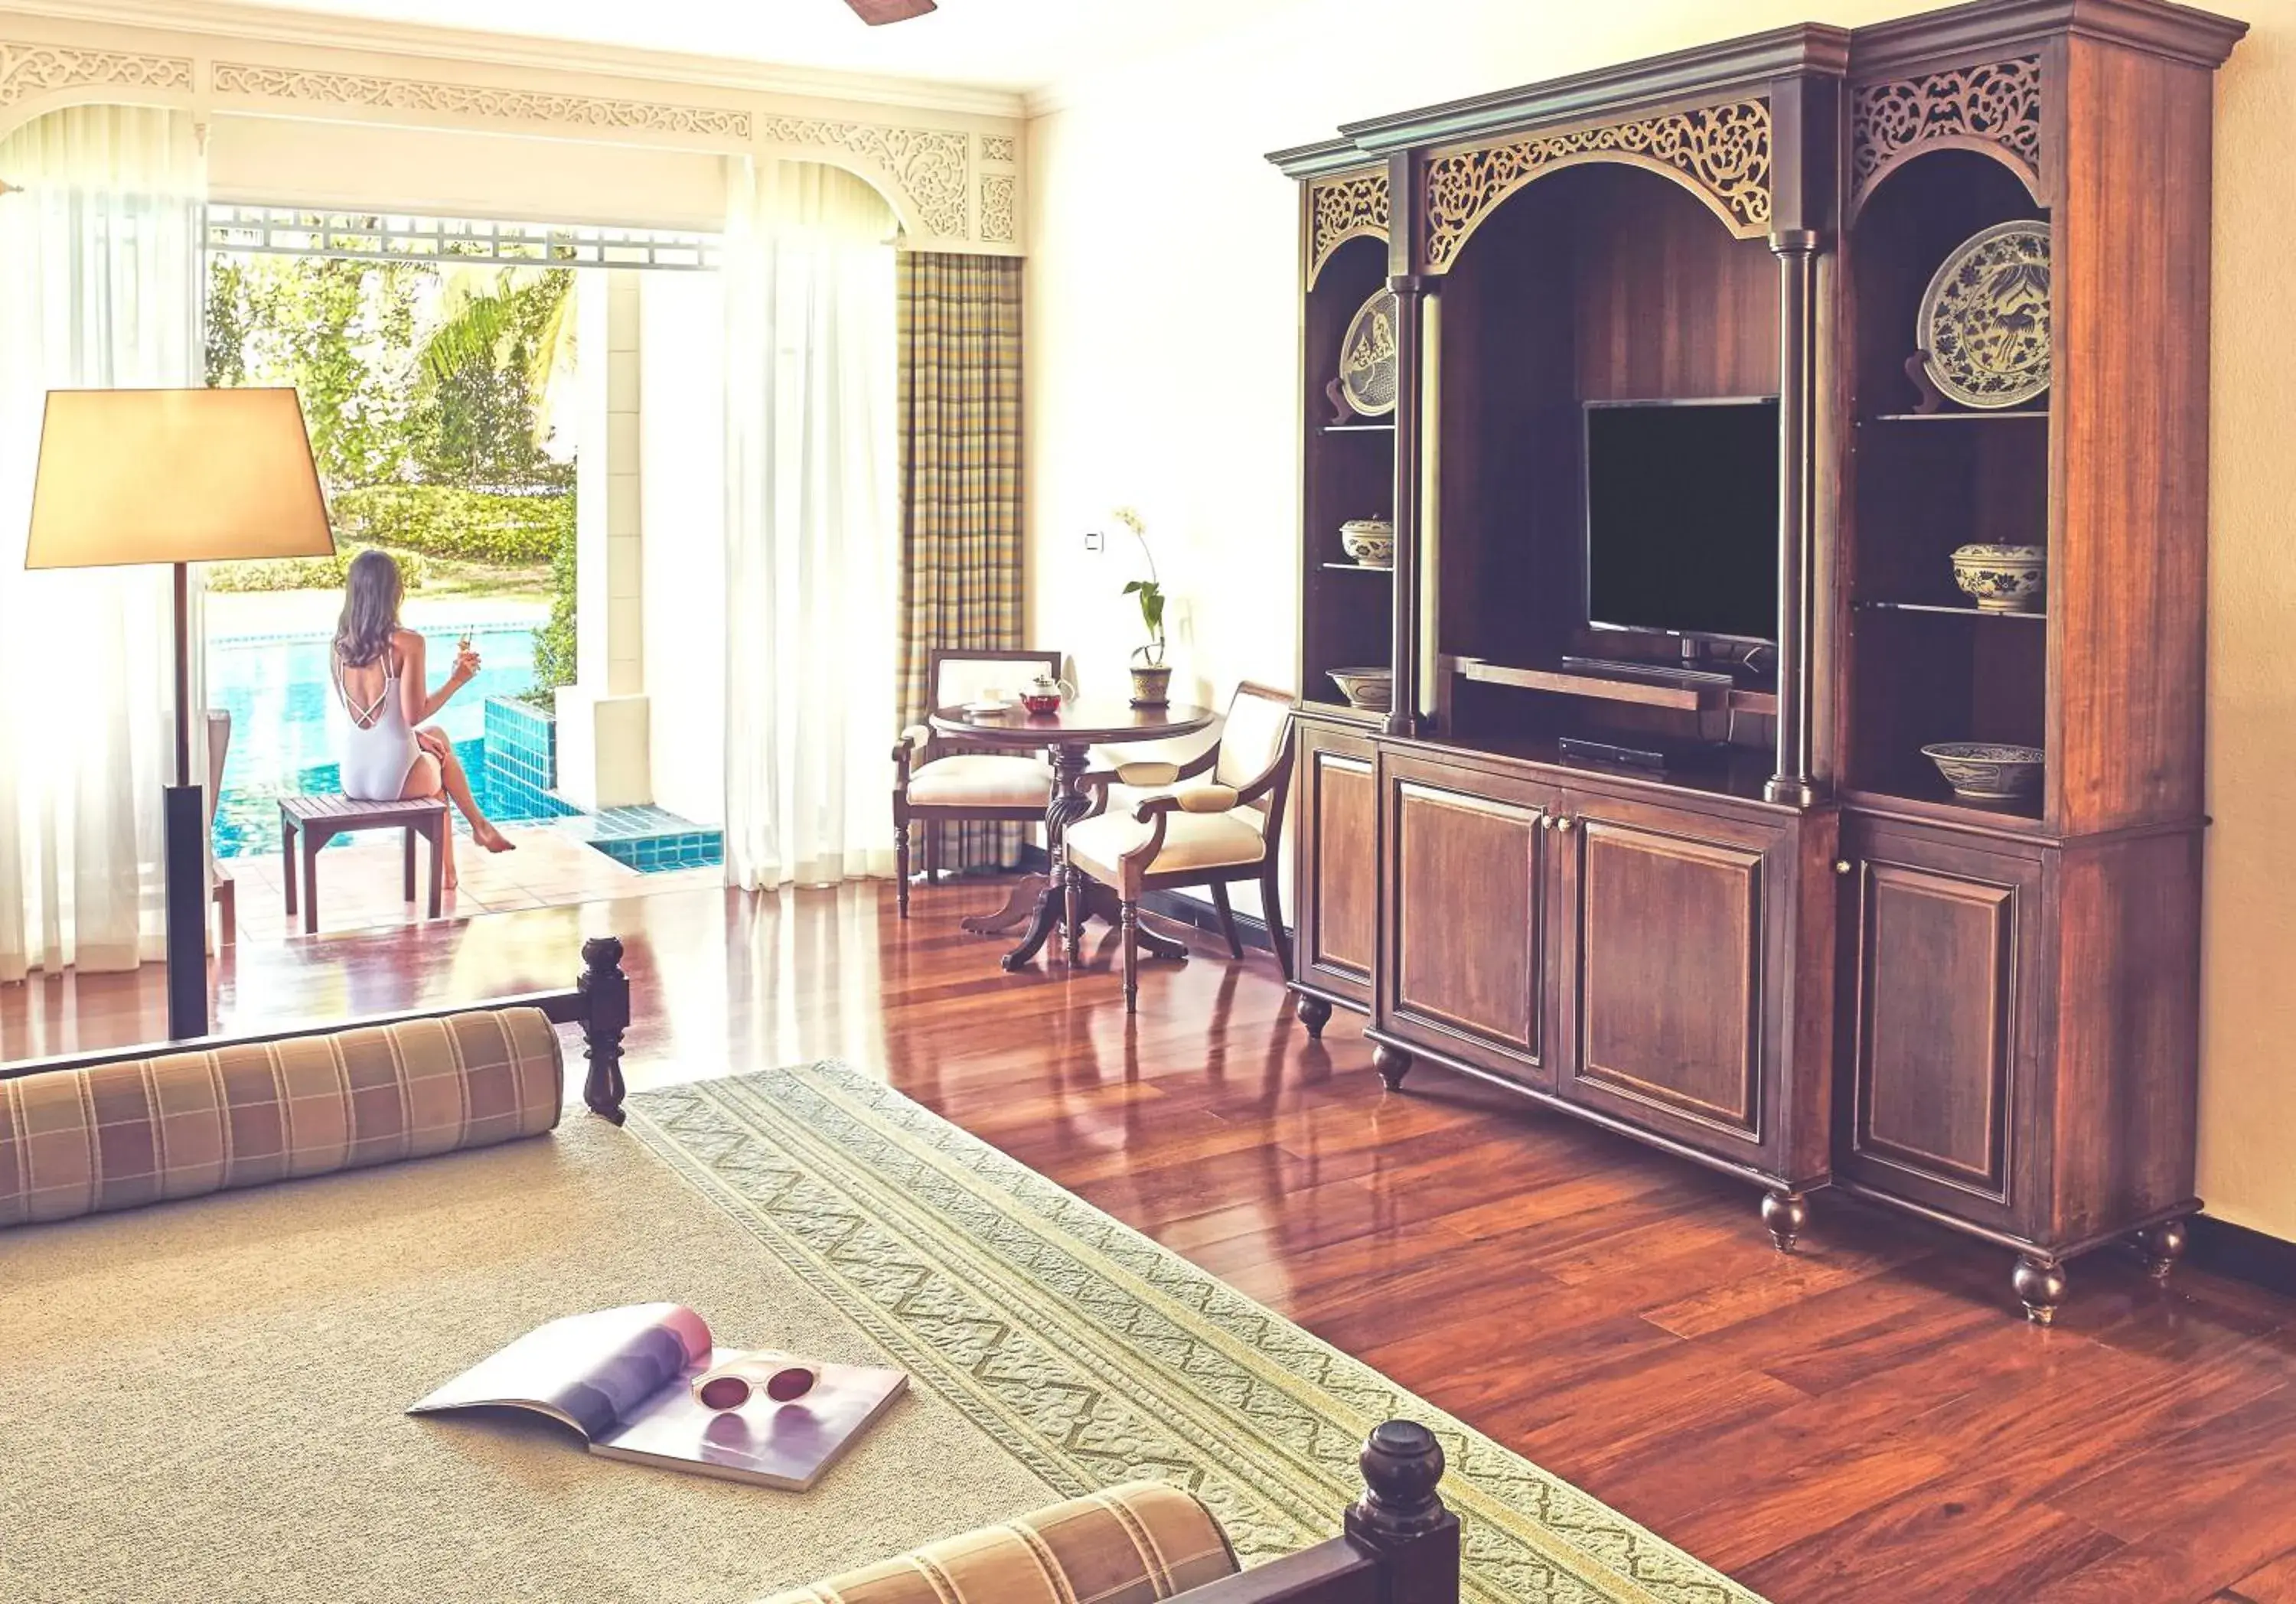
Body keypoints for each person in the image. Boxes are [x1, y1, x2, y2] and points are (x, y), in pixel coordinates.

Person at [331, 549, 514, 887]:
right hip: (393, 778)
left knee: (435, 737)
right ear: (394, 592)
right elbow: (414, 714)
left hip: (353, 777)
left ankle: (467, 850)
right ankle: (473, 836)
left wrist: (416, 738)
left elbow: (369, 721)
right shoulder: (408, 643)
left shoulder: (339, 646)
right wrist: (457, 680)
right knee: (441, 766)